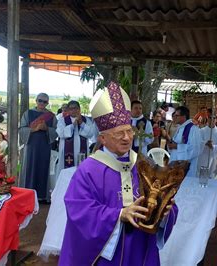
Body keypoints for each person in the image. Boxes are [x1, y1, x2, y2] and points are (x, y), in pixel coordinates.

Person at [59, 81, 177, 265]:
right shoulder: (88, 170)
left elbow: (162, 196)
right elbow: (78, 210)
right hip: (107, 255)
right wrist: (118, 215)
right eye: (119, 133)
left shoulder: (144, 164)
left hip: (140, 249)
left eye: (129, 131)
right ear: (103, 139)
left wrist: (164, 210)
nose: (127, 138)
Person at [19, 93, 58, 201]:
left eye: (45, 101)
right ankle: (26, 193)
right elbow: (21, 129)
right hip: (31, 145)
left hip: (45, 146)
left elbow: (56, 131)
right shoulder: (28, 113)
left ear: (47, 103)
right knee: (29, 168)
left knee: (43, 168)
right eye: (40, 100)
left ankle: (41, 196)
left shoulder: (51, 116)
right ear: (36, 100)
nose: (42, 103)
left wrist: (46, 129)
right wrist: (33, 129)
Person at [56, 100, 95, 171]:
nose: (74, 110)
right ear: (68, 110)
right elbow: (61, 134)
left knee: (81, 170)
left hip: (82, 153)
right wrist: (73, 125)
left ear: (79, 109)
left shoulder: (86, 120)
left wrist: (81, 123)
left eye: (76, 108)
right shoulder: (62, 121)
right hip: (66, 153)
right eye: (71, 109)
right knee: (67, 171)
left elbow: (91, 134)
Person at [167, 106, 203, 177]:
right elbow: (176, 144)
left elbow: (196, 149)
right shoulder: (180, 128)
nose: (174, 117)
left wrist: (177, 146)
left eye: (177, 115)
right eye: (174, 115)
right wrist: (171, 146)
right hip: (175, 164)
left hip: (187, 167)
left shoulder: (193, 129)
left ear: (183, 117)